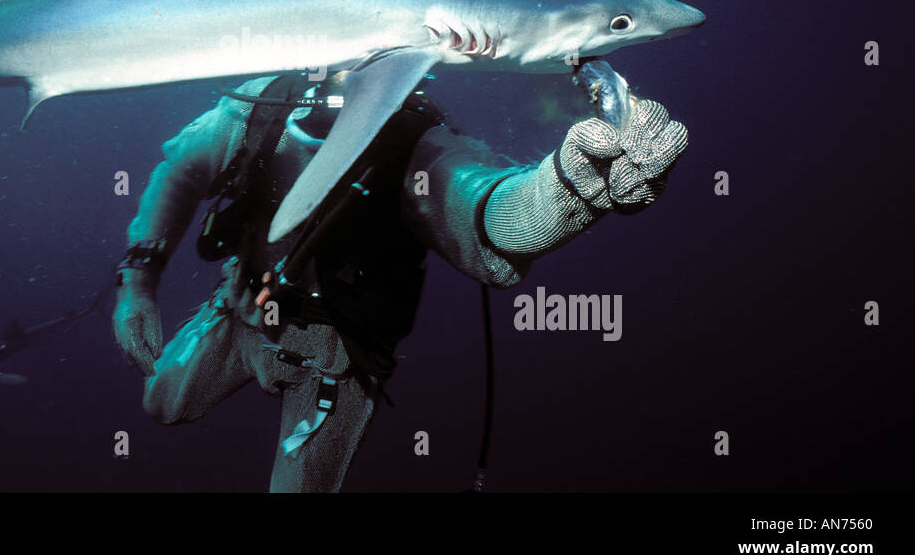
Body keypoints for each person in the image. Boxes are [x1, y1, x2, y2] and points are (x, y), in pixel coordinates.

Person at [112, 68, 688, 492]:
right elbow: (181, 169)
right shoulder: (260, 106)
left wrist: (569, 184)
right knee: (160, 403)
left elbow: (486, 210)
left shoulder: (420, 142)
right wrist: (139, 280)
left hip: (335, 356)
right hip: (241, 307)